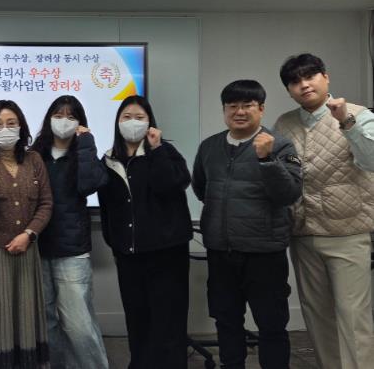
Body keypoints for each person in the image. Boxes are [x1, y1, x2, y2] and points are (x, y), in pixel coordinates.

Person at [273, 53, 374, 369]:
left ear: (325, 77)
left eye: (310, 76)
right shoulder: (284, 124)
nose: (303, 85)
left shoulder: (359, 114)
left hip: (347, 232)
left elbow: (371, 160)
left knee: (353, 316)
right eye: (295, 81)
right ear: (289, 90)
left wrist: (346, 122)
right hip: (303, 234)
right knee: (317, 316)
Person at [193, 80, 302, 369]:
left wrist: (267, 160)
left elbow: (289, 194)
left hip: (264, 253)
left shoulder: (279, 144)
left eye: (247, 105)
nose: (239, 112)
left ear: (261, 109)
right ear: (224, 110)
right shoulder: (209, 147)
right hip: (221, 251)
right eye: (232, 105)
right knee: (226, 320)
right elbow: (202, 188)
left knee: (271, 324)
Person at [97, 95, 193, 369]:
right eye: (126, 117)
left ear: (150, 122)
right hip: (129, 254)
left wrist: (157, 149)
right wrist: (114, 241)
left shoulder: (165, 152)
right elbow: (107, 207)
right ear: (117, 122)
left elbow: (172, 185)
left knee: (169, 321)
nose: (132, 123)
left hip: (167, 253)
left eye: (139, 117)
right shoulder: (109, 159)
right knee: (137, 319)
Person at [0, 100, 53, 368]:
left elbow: (46, 204)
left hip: (26, 250)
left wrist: (29, 234)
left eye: (11, 123)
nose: (5, 129)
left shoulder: (34, 160)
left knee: (25, 314)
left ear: (21, 127)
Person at [29, 95, 109, 369]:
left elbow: (90, 185)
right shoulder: (35, 154)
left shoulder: (83, 154)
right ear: (49, 119)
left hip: (72, 251)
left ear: (80, 123)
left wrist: (86, 143)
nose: (64, 121)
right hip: (38, 247)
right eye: (58, 115)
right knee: (46, 323)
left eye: (71, 116)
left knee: (79, 324)